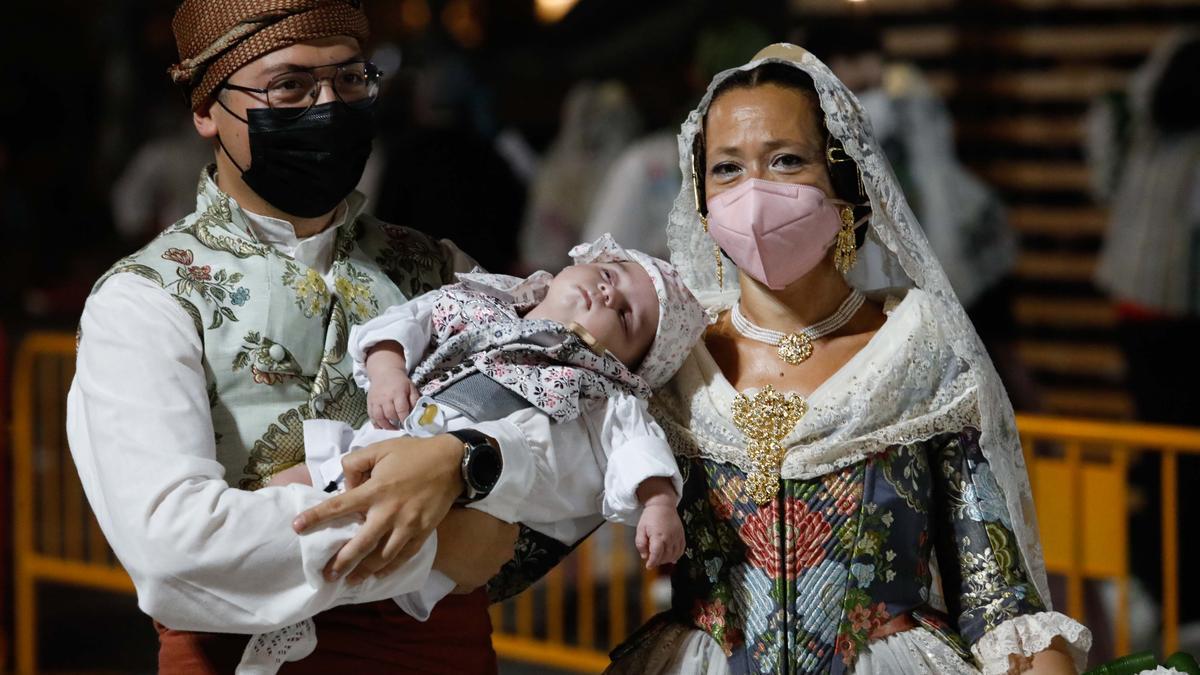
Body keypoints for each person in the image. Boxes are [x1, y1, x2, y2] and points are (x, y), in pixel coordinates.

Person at [605, 44, 1091, 673]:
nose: (753, 193)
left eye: (785, 160)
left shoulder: (918, 350)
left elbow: (994, 592)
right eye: (727, 169)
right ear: (700, 197)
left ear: (845, 184)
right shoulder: (670, 355)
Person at [67, 2, 524, 672]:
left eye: (349, 81)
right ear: (205, 109)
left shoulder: (439, 269)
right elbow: (174, 549)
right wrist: (433, 534)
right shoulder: (147, 298)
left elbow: (569, 433)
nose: (328, 106)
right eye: (290, 87)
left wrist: (467, 458)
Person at [242, 234, 707, 672]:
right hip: (378, 444)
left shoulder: (602, 393)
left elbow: (639, 446)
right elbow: (402, 324)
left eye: (625, 316)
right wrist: (387, 372)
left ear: (629, 364)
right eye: (607, 275)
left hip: (449, 506)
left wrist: (659, 503)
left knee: (355, 550)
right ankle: (255, 585)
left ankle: (288, 618)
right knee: (278, 495)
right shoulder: (477, 304)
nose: (607, 295)